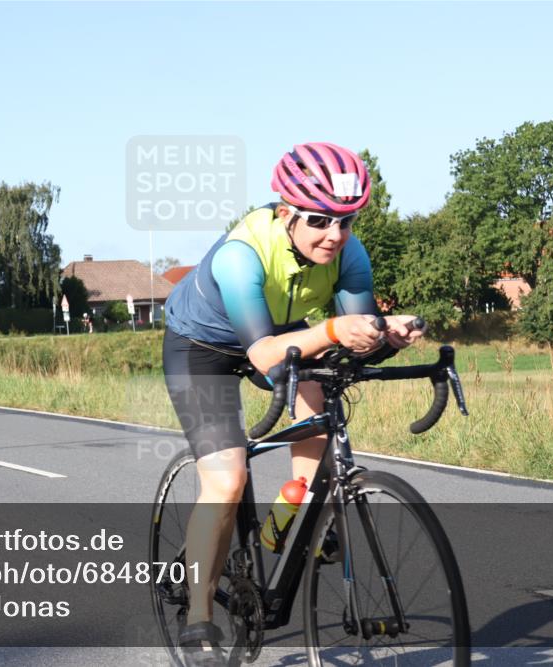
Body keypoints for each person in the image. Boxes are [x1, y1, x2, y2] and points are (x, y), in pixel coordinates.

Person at [162, 142, 424, 666]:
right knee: (227, 478)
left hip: (286, 333)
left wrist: (385, 333)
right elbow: (261, 353)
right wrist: (331, 329)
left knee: (322, 425)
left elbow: (356, 331)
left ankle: (293, 519)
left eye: (345, 222)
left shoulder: (350, 252)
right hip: (205, 347)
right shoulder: (242, 255)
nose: (335, 235)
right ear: (286, 214)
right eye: (320, 221)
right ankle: (198, 621)